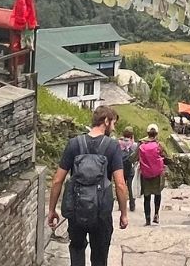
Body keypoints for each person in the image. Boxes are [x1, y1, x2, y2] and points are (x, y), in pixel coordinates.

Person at [47, 106, 130, 266]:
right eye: (113, 124)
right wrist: (124, 213)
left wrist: (51, 210)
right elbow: (120, 184)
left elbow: (57, 180)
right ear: (106, 121)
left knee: (77, 250)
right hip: (101, 214)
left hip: (77, 211)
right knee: (99, 257)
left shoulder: (74, 144)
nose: (113, 128)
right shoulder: (112, 147)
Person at [137, 124, 167, 225]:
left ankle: (147, 219)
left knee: (147, 197)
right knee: (157, 194)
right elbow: (168, 157)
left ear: (147, 133)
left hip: (145, 175)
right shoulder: (160, 145)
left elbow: (133, 157)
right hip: (158, 174)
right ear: (157, 134)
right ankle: (156, 214)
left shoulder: (141, 145)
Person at [117, 127, 139, 213]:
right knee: (130, 187)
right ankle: (132, 205)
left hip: (120, 168)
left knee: (120, 186)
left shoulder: (118, 143)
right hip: (130, 168)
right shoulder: (133, 144)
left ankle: (120, 205)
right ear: (131, 135)